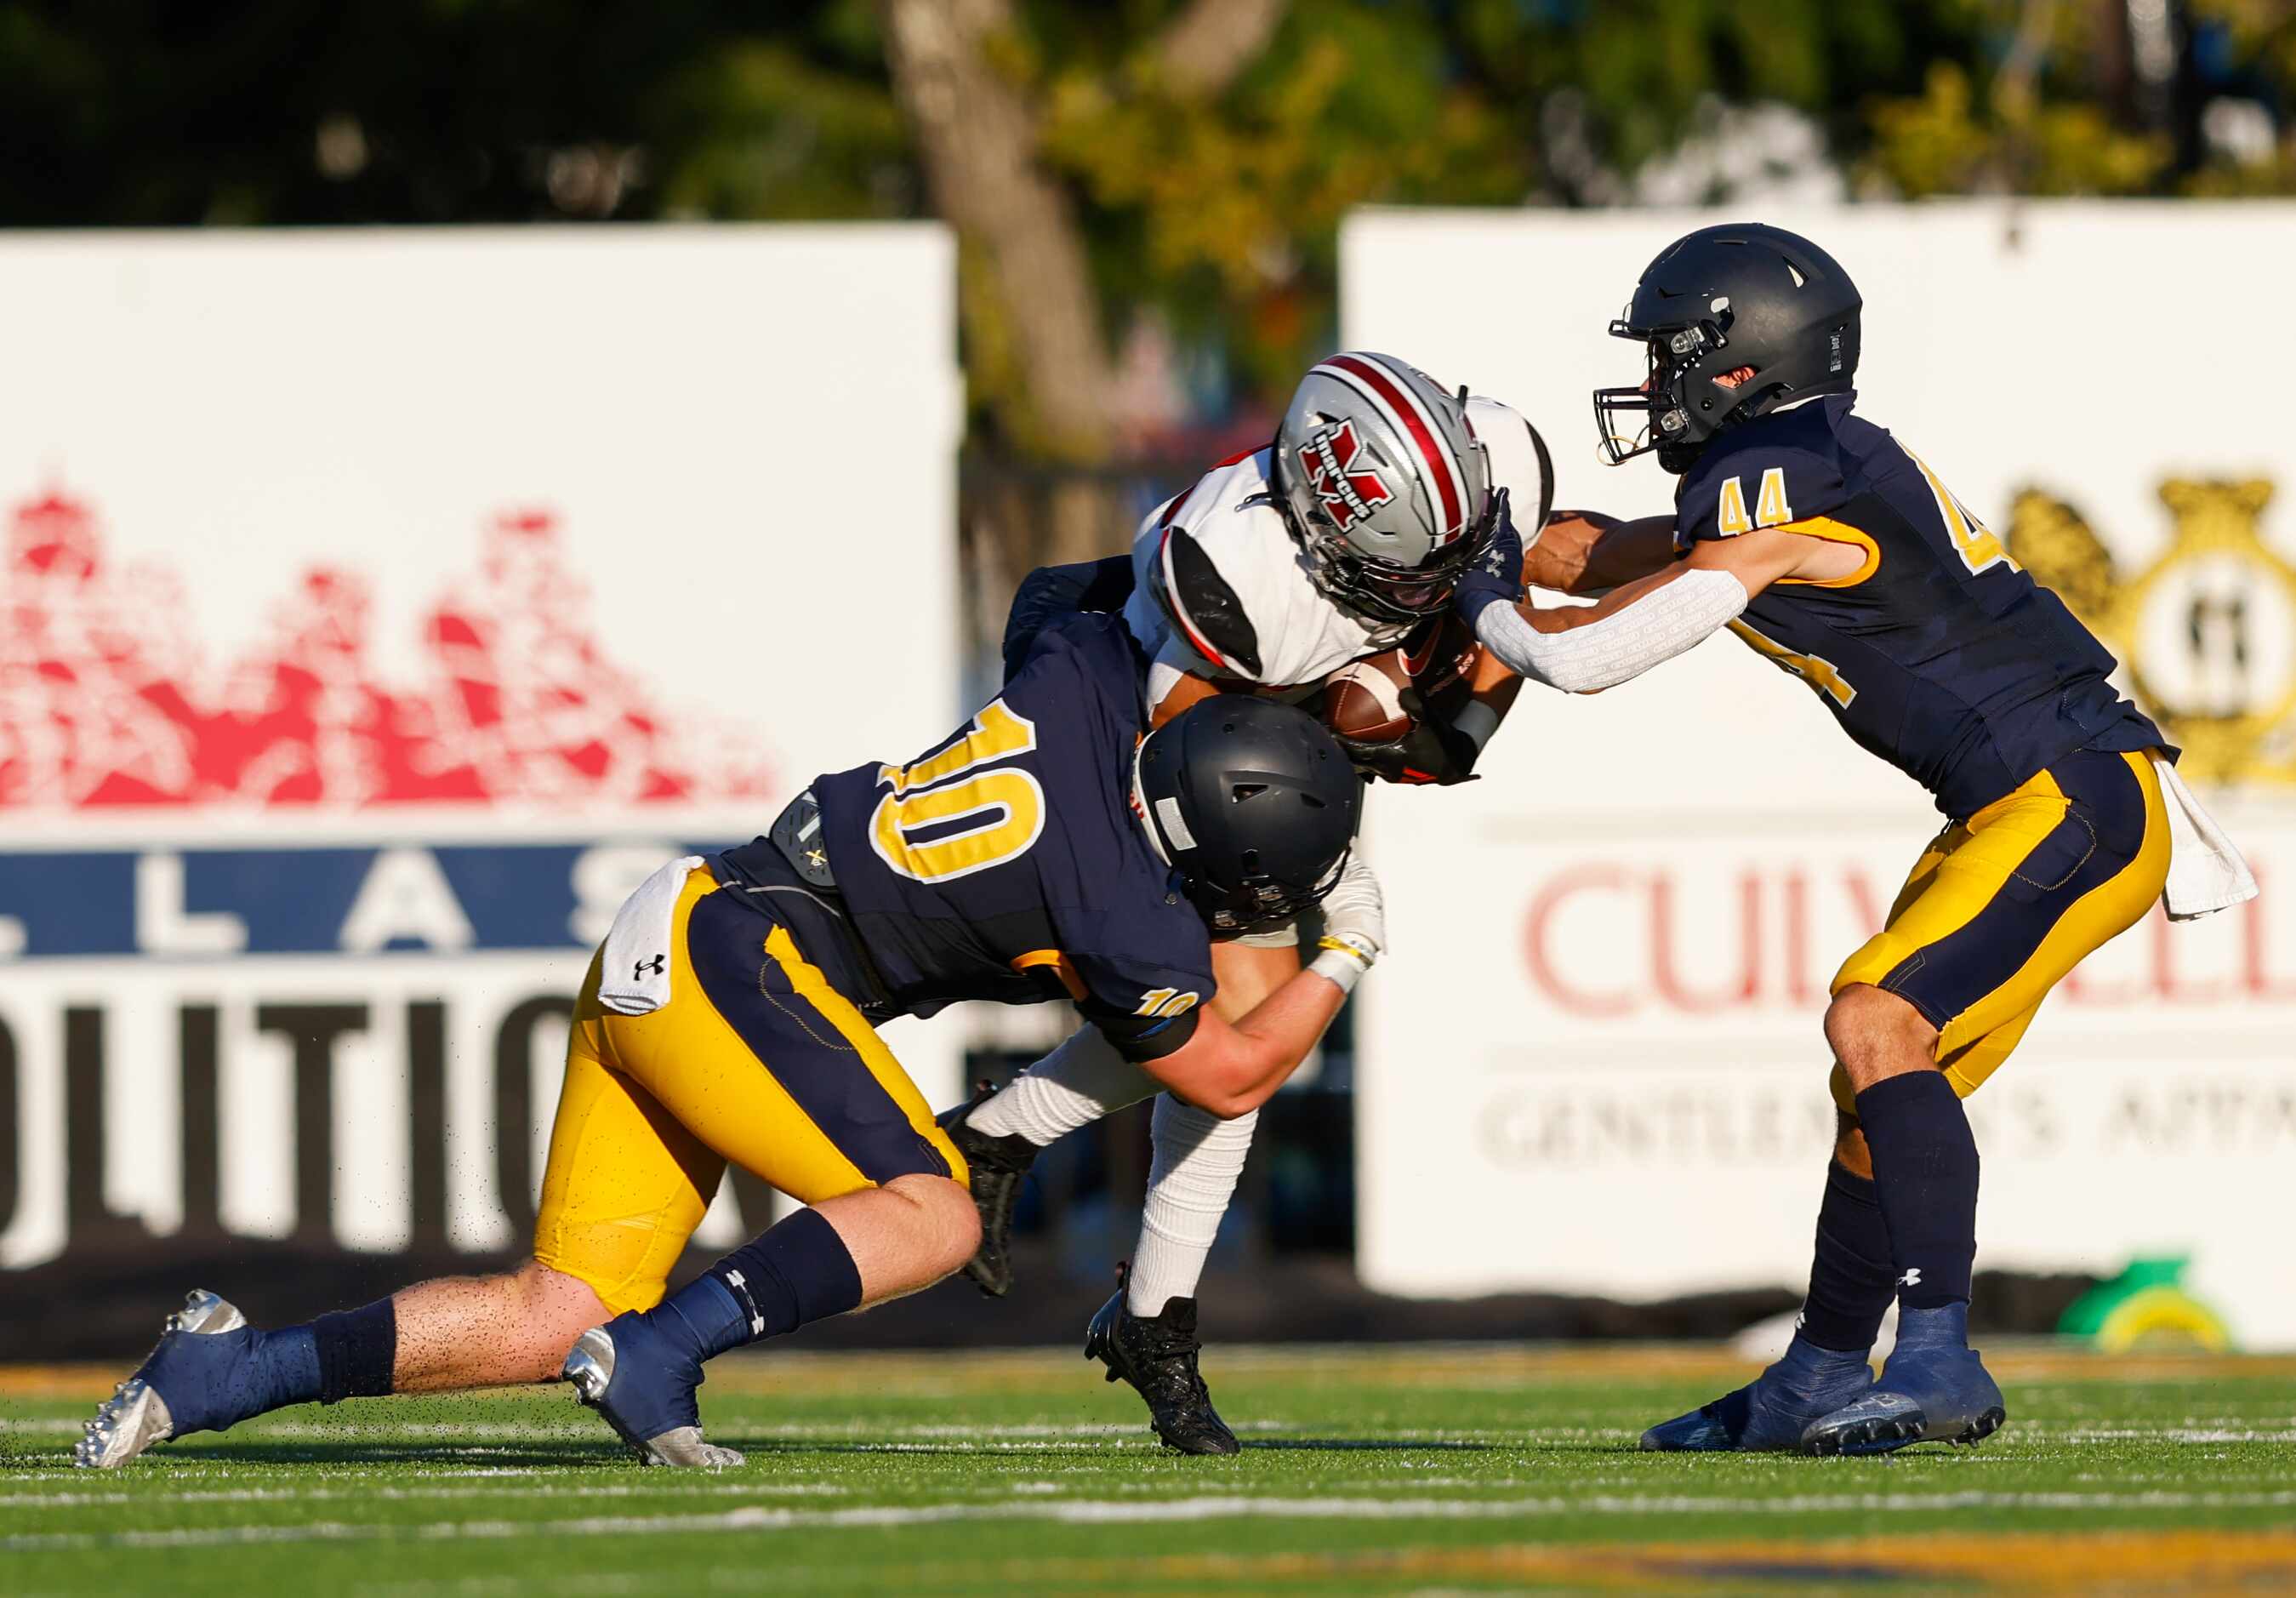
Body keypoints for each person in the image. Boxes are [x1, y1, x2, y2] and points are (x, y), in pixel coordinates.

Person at [77, 611, 1383, 1470]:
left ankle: (220, 1370)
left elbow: (1086, 589)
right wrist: (1345, 949)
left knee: (549, 1316)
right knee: (935, 1216)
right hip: (743, 963)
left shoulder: (1087, 679)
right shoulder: (1127, 913)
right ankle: (665, 1355)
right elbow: (1228, 1072)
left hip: (683, 921)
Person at [1456, 222, 2254, 1456]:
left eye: (1676, 354)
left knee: (1872, 1013)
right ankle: (1817, 1375)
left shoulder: (1775, 472)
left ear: (1746, 363)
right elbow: (1594, 555)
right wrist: (1466, 524)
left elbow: (1585, 646)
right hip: (2031, 797)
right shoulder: (1794, 467)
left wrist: (1484, 611)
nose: (1656, 380)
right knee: (1875, 1083)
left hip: (2069, 789)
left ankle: (1936, 1353)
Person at [943, 352, 1549, 1453]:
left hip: (1265, 723)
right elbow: (1198, 739)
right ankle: (1122, 1280)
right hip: (1136, 707)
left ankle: (1032, 1171)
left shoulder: (1483, 486)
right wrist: (1375, 718)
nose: (1442, 580)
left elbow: (1541, 579)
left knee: (1248, 1035)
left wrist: (1695, 574)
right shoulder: (1243, 570)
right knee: (1220, 1019)